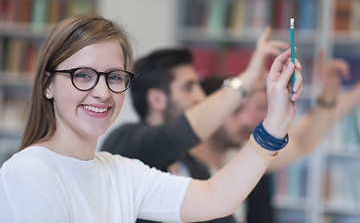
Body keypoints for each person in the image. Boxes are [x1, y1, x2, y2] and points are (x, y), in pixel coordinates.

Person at [0, 14, 303, 223]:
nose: (102, 92)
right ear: (47, 84)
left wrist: (275, 122)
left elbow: (215, 197)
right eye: (83, 75)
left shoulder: (121, 173)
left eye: (114, 77)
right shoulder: (30, 171)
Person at [101, 27, 288, 222]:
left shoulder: (194, 166)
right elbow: (175, 134)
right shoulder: (126, 142)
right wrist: (248, 79)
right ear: (157, 99)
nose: (200, 97)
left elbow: (218, 207)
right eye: (189, 87)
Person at [189, 49, 360, 223]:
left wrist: (329, 97)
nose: (247, 120)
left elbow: (303, 142)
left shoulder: (238, 156)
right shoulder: (183, 172)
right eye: (235, 111)